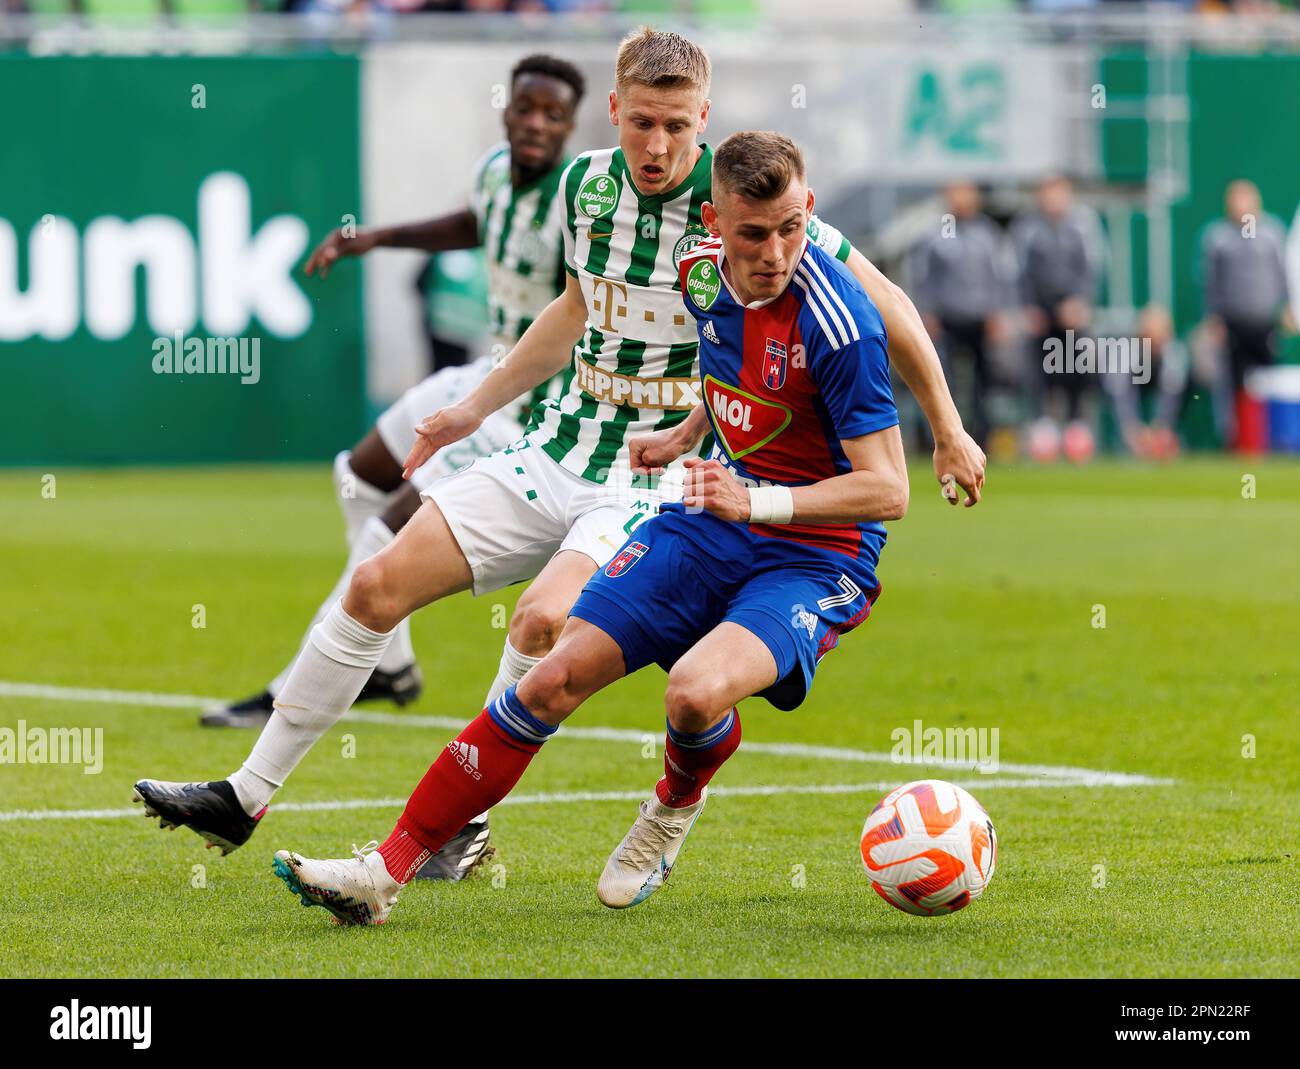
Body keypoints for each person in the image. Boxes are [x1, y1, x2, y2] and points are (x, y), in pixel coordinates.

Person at [133, 28, 984, 889]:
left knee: (544, 623)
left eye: (678, 127)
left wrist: (948, 430)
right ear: (613, 111)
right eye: (643, 123)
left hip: (657, 480)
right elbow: (574, 309)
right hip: (562, 441)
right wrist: (468, 407)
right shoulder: (585, 187)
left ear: (705, 121)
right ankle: (244, 794)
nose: (658, 147)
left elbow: (892, 306)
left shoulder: (746, 207)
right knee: (375, 584)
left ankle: (463, 825)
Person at [268, 130, 909, 924]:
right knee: (549, 675)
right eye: (753, 233)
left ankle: (672, 806)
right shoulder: (698, 273)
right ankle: (382, 873)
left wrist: (761, 501)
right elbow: (731, 367)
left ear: (807, 209)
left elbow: (886, 489)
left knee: (692, 694)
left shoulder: (840, 322)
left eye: (790, 228)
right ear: (713, 224)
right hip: (716, 515)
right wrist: (686, 436)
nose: (776, 252)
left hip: (817, 553)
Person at [146, 53, 585, 882]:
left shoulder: (578, 201)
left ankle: (299, 693)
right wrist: (375, 238)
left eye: (551, 114)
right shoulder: (496, 175)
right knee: (356, 473)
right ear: (508, 111)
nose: (534, 123)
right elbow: (474, 224)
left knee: (390, 536)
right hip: (481, 369)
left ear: (569, 125)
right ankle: (391, 664)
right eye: (524, 107)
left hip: (529, 397)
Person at [910, 180, 1014, 448]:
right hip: (947, 318)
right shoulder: (940, 231)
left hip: (979, 318)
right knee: (944, 381)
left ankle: (983, 438)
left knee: (984, 384)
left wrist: (997, 313)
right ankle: (944, 437)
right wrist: (927, 313)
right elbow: (924, 276)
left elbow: (1000, 277)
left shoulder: (987, 233)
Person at [1011, 175, 1103, 449]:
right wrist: (1027, 307)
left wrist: (1081, 301)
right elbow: (1017, 271)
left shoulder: (1084, 225)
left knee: (1077, 363)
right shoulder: (1027, 227)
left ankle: (1077, 425)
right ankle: (1042, 426)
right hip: (1040, 310)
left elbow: (1092, 267)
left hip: (1072, 310)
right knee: (1037, 366)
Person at [1198, 179, 1289, 448]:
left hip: (1264, 322)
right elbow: (1208, 281)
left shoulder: (1272, 234)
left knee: (1269, 381)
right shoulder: (1217, 237)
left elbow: (1283, 274)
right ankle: (1235, 439)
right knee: (1231, 384)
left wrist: (1286, 307)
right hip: (1232, 322)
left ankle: (1271, 439)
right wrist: (1212, 317)